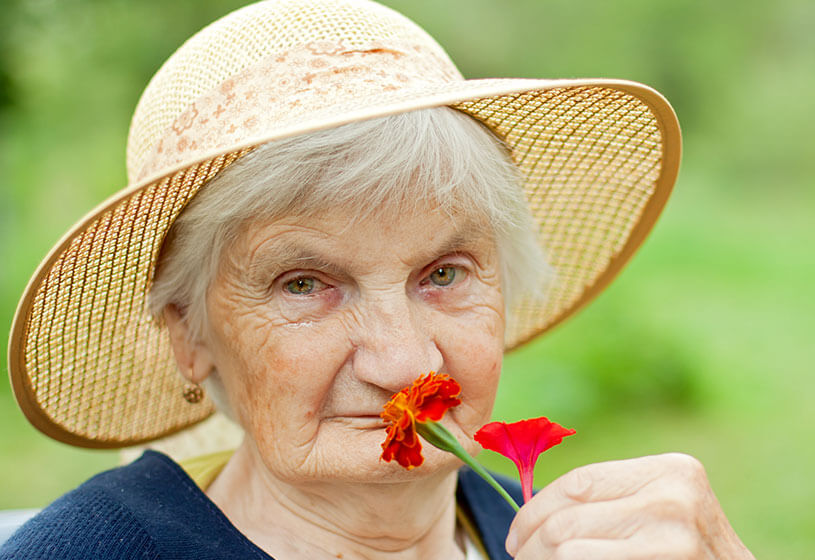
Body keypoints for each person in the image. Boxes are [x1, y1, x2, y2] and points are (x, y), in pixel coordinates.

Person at [3, 0, 755, 558]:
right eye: (304, 284)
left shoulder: (544, 536)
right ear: (187, 336)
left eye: (444, 273)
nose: (404, 363)